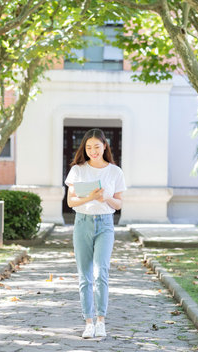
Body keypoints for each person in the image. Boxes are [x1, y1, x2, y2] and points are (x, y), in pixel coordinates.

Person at [65, 128, 126, 338]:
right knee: (85, 275)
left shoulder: (115, 172)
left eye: (97, 147)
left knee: (101, 272)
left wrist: (106, 198)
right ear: (85, 148)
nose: (93, 151)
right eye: (89, 147)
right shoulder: (77, 170)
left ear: (105, 146)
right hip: (82, 223)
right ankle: (88, 322)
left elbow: (118, 204)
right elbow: (71, 201)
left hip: (105, 224)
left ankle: (101, 320)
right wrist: (90, 197)